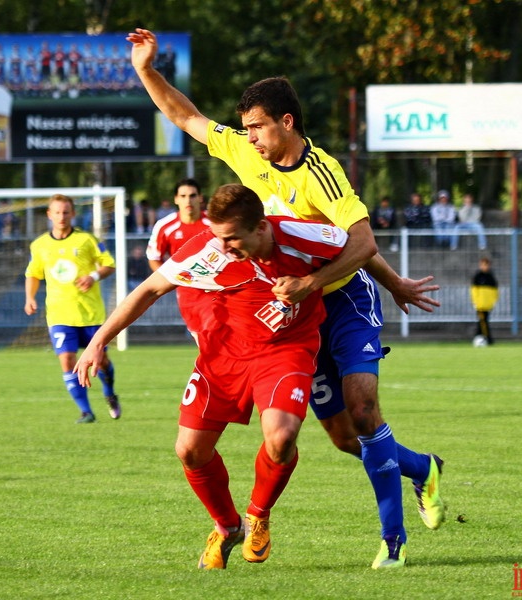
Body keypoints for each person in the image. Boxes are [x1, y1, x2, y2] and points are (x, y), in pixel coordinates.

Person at [128, 28, 444, 569]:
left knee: (365, 411)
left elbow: (361, 241)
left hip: (342, 300)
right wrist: (146, 71)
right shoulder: (247, 154)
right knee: (346, 439)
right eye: (245, 127)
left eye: (256, 127)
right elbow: (186, 117)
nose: (247, 137)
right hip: (293, 314)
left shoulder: (322, 173)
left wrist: (362, 283)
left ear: (286, 123)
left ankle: (393, 544)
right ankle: (423, 468)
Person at [76, 183, 351, 569]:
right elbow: (151, 288)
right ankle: (227, 526)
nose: (222, 247)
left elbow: (361, 247)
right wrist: (99, 340)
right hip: (222, 354)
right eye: (217, 236)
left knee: (282, 437)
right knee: (189, 450)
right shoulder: (208, 248)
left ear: (260, 227)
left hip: (285, 350)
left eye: (231, 238)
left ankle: (258, 515)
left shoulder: (300, 234)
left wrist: (315, 283)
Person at [23, 194, 120, 423]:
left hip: (90, 314)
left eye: (66, 212)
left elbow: (109, 264)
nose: (61, 217)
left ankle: (109, 392)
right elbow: (33, 274)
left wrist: (93, 275)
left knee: (101, 361)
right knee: (67, 360)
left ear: (73, 214)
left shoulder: (87, 240)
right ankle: (86, 411)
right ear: (49, 215)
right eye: (57, 212)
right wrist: (29, 297)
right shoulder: (39, 245)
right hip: (59, 314)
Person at [146, 178, 212, 337]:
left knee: (219, 336)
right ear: (176, 199)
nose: (188, 200)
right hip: (188, 293)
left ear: (200, 198)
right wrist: (171, 279)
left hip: (217, 289)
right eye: (183, 196)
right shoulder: (165, 226)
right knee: (201, 339)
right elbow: (154, 257)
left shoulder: (214, 223)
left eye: (192, 195)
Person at [470, 257, 498, 345]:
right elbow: (474, 291)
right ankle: (488, 339)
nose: (484, 267)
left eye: (486, 265)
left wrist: (493, 301)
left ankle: (478, 337)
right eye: (482, 265)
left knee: (483, 321)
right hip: (480, 304)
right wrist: (475, 301)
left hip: (488, 304)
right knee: (483, 321)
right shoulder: (477, 276)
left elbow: (495, 292)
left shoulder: (491, 277)